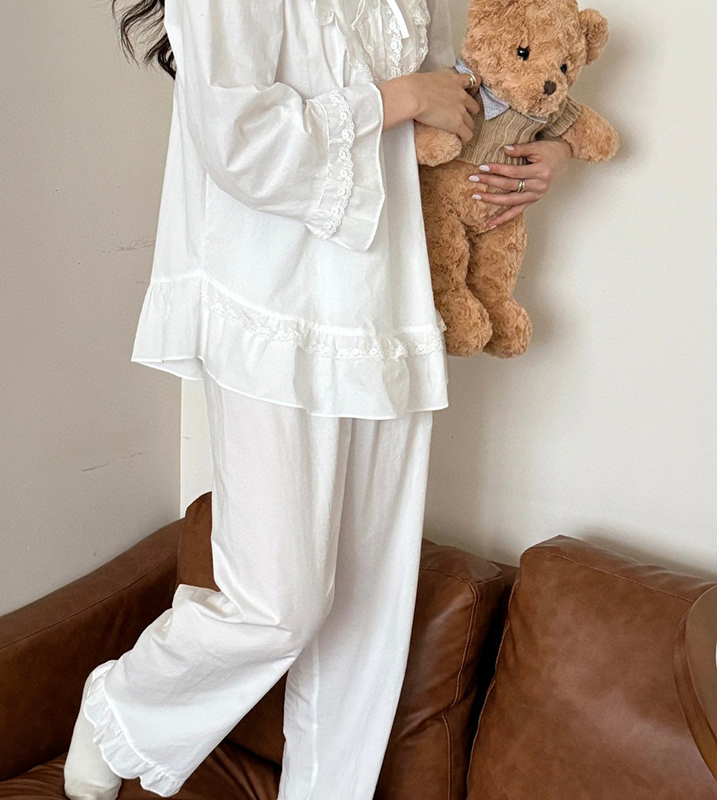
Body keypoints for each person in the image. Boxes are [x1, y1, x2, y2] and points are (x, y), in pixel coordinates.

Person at [63, 1, 572, 798]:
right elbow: (237, 140)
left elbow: (465, 87)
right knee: (279, 604)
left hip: (383, 303)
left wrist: (550, 145)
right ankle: (122, 713)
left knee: (369, 612)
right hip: (267, 301)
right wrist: (399, 97)